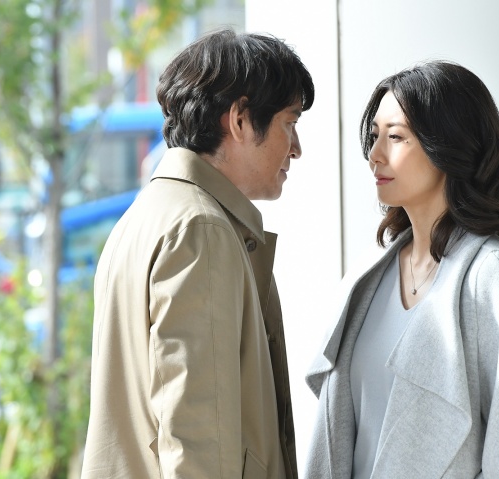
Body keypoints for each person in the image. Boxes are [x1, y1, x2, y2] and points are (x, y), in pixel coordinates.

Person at [305, 61, 499, 478]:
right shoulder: (367, 278)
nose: (375, 155)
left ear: (447, 146)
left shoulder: (492, 276)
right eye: (374, 136)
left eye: (395, 137)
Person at [81, 28, 314, 479]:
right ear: (240, 119)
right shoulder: (201, 230)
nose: (297, 148)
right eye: (290, 123)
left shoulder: (145, 216)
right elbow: (198, 442)